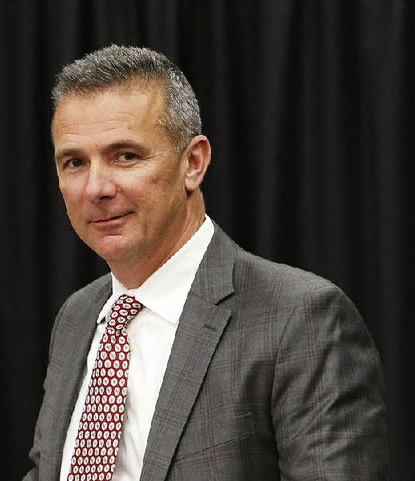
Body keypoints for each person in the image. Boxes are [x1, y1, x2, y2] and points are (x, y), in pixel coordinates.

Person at [23, 45, 387, 481]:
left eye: (126, 156)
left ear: (193, 163)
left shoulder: (300, 319)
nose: (96, 187)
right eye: (74, 162)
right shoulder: (78, 317)